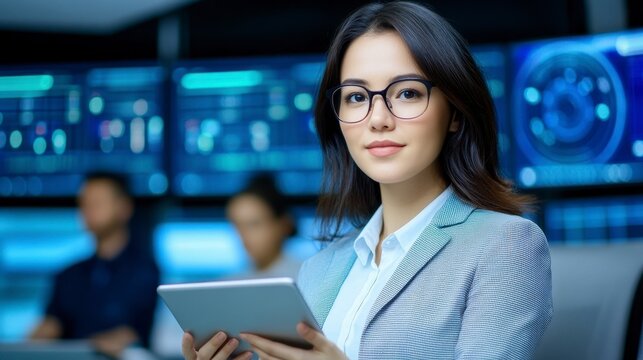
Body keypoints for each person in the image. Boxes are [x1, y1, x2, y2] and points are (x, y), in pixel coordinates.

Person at [182, 2, 553, 359]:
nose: (378, 118)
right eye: (357, 97)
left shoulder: (506, 246)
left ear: (454, 112)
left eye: (407, 93)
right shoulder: (320, 269)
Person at [30, 172, 160, 358]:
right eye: (84, 203)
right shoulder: (68, 275)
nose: (88, 210)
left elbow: (132, 334)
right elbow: (50, 326)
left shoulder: (145, 272)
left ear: (125, 208)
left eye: (97, 203)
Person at [226, 174, 301, 279]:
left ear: (283, 224)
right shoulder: (230, 283)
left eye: (254, 224)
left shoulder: (308, 280)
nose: (244, 235)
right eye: (238, 225)